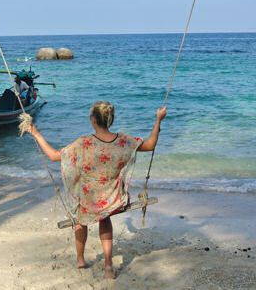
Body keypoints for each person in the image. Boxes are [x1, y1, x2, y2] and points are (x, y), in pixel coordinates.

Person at [28, 101, 167, 279]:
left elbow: (55, 156)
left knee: (79, 219)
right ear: (110, 120)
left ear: (94, 120)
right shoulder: (124, 141)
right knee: (105, 219)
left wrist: (36, 133)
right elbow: (150, 145)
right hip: (112, 199)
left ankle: (80, 259)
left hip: (88, 201)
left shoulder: (84, 143)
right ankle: (109, 266)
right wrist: (158, 120)